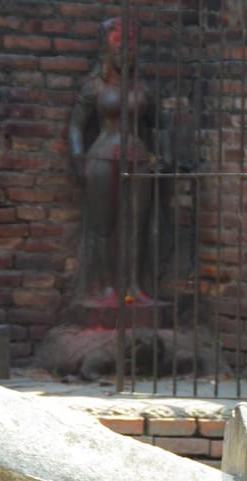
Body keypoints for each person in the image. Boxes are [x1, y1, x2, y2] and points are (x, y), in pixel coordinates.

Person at [68, 16, 156, 306]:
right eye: (119, 46)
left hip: (138, 157)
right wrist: (79, 158)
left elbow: (158, 125)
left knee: (137, 225)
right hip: (103, 157)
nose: (125, 53)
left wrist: (160, 154)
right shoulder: (94, 85)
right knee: (103, 226)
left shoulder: (141, 87)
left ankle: (133, 284)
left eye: (130, 47)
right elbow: (76, 126)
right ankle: (106, 285)